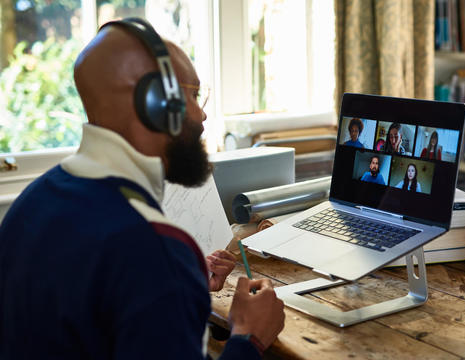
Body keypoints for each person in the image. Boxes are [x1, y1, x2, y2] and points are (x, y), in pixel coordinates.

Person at [0, 19, 284, 359]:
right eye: (192, 95)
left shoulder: (30, 204)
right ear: (155, 103)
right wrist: (248, 338)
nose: (202, 115)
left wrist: (175, 292)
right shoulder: (154, 246)